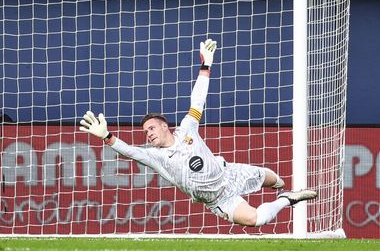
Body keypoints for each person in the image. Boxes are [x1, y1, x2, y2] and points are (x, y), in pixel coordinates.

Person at [80, 39, 317, 227]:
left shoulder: (186, 128)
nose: (148, 134)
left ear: (165, 126)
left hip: (229, 174)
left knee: (276, 179)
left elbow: (198, 101)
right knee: (255, 220)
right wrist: (106, 136)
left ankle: (283, 190)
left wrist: (206, 66)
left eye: (151, 128)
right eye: (145, 132)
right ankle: (288, 199)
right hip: (219, 199)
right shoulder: (155, 156)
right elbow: (129, 151)